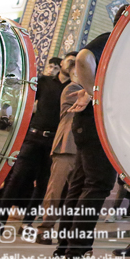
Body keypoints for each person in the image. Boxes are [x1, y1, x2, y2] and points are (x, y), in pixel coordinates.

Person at [47, 8, 127, 259]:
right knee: (97, 185)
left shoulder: (118, 44)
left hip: (87, 122)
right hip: (96, 122)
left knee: (80, 186)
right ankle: (76, 256)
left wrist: (91, 91)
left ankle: (62, 255)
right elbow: (83, 57)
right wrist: (97, 95)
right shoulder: (115, 39)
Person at [0, 56, 71, 233]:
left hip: (55, 141)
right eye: (70, 61)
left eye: (76, 62)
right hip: (34, 137)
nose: (72, 64)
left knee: (43, 184)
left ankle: (27, 224)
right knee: (16, 178)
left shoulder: (73, 88)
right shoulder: (44, 82)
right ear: (62, 63)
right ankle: (0, 222)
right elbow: (26, 102)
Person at [37, 53, 81, 244]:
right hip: (66, 146)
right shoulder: (72, 89)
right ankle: (44, 229)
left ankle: (70, 232)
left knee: (76, 193)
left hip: (82, 149)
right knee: (55, 191)